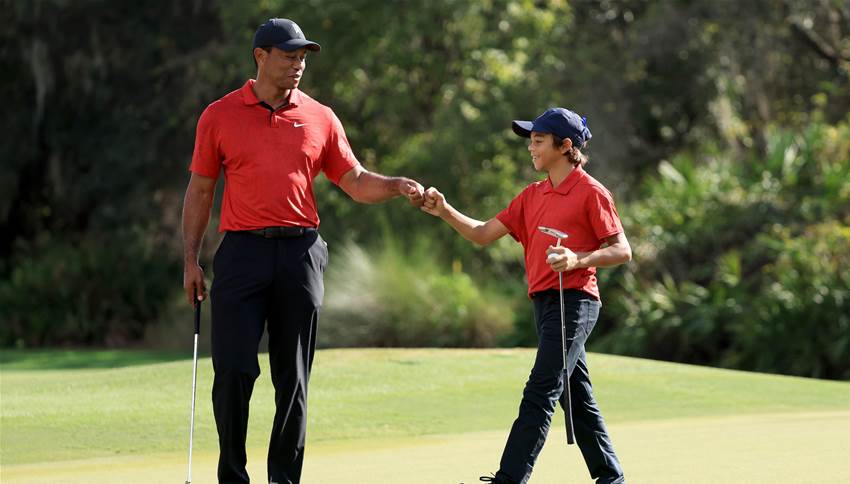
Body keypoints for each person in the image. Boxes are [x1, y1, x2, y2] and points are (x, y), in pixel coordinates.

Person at [181, 18, 424, 484]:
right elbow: (200, 190)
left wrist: (394, 185)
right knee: (233, 370)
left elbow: (353, 180)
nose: (299, 64)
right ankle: (232, 475)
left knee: (292, 379)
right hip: (242, 254)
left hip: (300, 255)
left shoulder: (320, 116)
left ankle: (283, 480)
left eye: (303, 57)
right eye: (289, 55)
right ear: (261, 56)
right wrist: (191, 260)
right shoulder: (220, 114)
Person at [421, 107, 630, 484]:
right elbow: (484, 233)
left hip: (576, 300)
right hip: (545, 303)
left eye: (538, 141)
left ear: (565, 146)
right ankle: (611, 479)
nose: (530, 148)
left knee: (541, 389)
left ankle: (510, 478)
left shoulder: (591, 192)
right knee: (576, 398)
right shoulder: (532, 195)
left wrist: (577, 257)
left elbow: (621, 250)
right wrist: (445, 211)